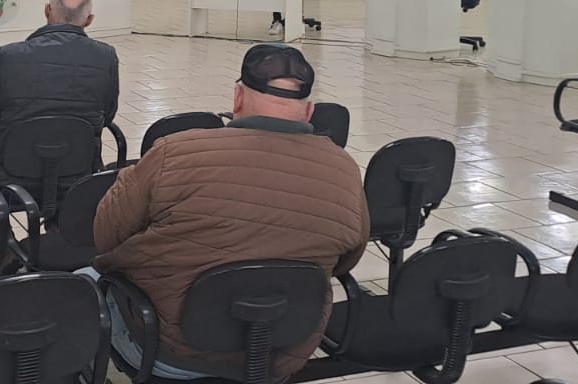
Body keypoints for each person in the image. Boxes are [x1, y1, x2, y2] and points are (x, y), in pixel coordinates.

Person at [88, 44, 369, 381]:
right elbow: (347, 259)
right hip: (280, 352)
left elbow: (105, 234)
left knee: (83, 281)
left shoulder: (176, 152)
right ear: (309, 112)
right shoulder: (344, 169)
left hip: (167, 351)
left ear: (237, 98)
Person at [0, 0, 118, 188]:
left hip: (9, 174)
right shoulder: (105, 56)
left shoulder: (9, 55)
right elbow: (108, 113)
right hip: (79, 172)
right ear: (89, 20)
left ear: (47, 10)